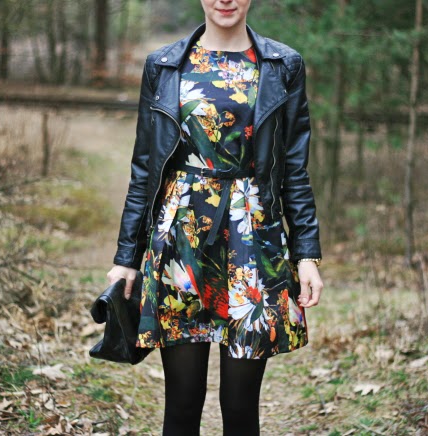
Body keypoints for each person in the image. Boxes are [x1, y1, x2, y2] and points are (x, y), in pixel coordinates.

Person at [107, 1, 324, 434]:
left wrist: (306, 254)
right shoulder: (164, 65)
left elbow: (293, 169)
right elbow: (146, 168)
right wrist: (126, 257)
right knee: (183, 402)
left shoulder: (283, 65)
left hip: (253, 238)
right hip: (180, 239)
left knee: (240, 406)